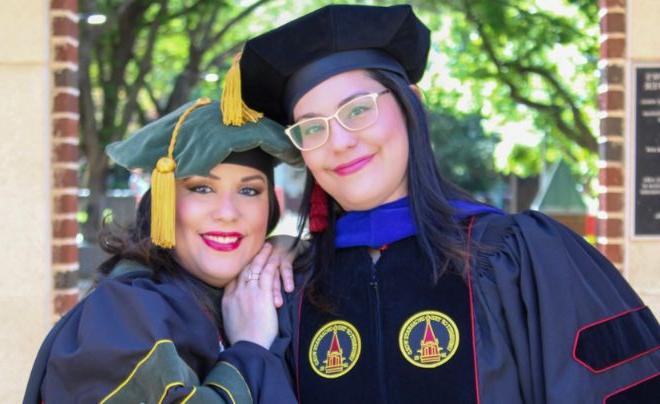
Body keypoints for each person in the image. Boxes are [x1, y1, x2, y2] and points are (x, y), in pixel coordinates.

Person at [230, 4, 660, 403]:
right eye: (312, 128)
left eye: (357, 110)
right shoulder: (287, 288)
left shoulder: (522, 257)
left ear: (411, 105)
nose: (339, 142)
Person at [23, 95, 300, 403]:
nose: (227, 212)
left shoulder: (278, 294)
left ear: (271, 206)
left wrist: (295, 247)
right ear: (163, 205)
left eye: (249, 190)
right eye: (201, 188)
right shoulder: (119, 315)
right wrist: (250, 349)